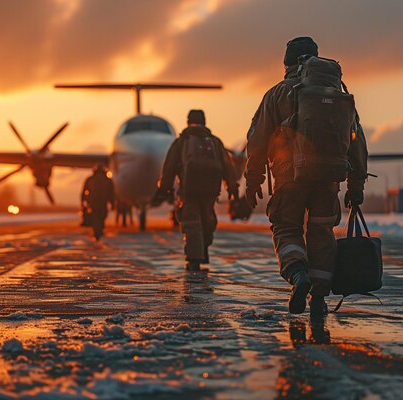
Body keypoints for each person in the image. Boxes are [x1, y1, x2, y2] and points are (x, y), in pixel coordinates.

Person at [244, 37, 368, 317]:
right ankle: (319, 297)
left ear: (286, 63)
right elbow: (357, 142)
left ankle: (298, 274)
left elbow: (258, 140)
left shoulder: (277, 93)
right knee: (321, 234)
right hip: (328, 179)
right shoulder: (338, 95)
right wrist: (356, 185)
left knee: (287, 228)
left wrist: (253, 180)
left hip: (289, 178)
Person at [153, 109, 239, 271]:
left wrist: (163, 188)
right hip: (211, 191)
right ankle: (202, 250)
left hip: (189, 190)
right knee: (208, 221)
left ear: (188, 122)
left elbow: (169, 167)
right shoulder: (215, 142)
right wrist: (232, 186)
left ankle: (194, 258)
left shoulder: (181, 142)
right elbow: (228, 166)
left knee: (192, 223)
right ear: (204, 122)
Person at [82, 164, 115, 240]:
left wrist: (83, 201)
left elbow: (84, 191)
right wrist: (112, 203)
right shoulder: (107, 180)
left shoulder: (90, 179)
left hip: (93, 202)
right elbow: (111, 192)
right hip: (102, 202)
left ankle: (97, 230)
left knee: (95, 217)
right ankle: (99, 230)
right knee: (102, 215)